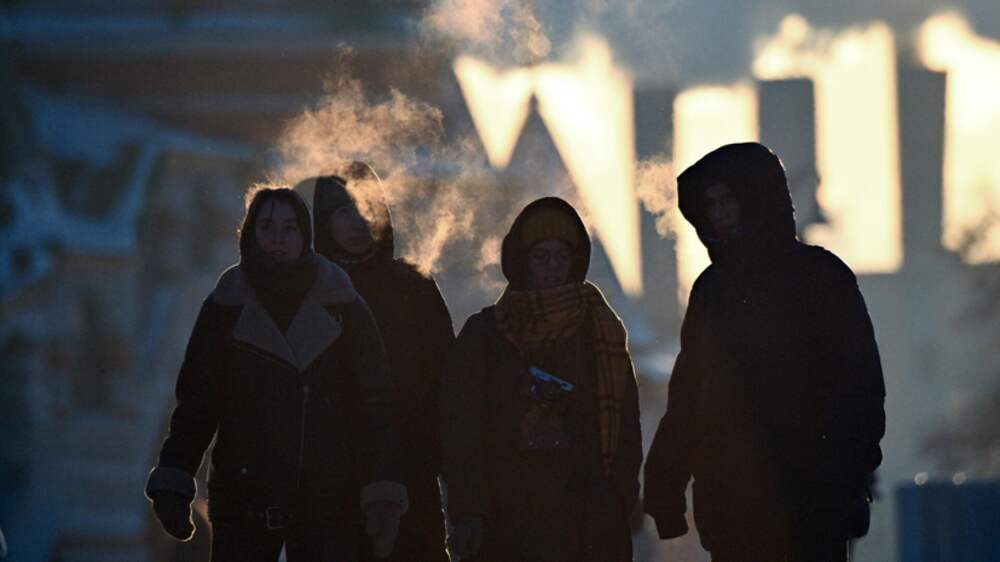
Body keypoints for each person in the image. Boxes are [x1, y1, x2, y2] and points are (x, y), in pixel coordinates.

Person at [643, 143, 886, 562]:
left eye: (727, 199)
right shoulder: (712, 291)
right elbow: (688, 397)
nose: (719, 212)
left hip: (811, 510)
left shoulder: (821, 278)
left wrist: (843, 479)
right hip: (734, 511)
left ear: (755, 199)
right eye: (710, 204)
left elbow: (860, 389)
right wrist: (664, 485)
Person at [144, 187, 407, 562]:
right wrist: (175, 477)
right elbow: (197, 404)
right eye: (267, 227)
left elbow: (376, 403)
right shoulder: (225, 306)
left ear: (305, 235)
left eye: (289, 228)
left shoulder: (342, 304)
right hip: (244, 500)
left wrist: (382, 492)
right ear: (251, 234)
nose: (278, 239)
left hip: (328, 501)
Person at [441, 197, 643, 562]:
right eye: (541, 257)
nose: (553, 268)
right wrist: (468, 512)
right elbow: (461, 431)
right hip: (506, 524)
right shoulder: (485, 335)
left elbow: (626, 426)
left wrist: (620, 501)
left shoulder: (600, 332)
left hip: (586, 523)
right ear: (523, 261)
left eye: (562, 257)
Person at [308, 162, 455, 562]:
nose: (359, 222)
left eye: (368, 208)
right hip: (332, 482)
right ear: (325, 220)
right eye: (345, 211)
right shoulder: (309, 292)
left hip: (412, 478)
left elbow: (448, 383)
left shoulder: (414, 288)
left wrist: (443, 464)